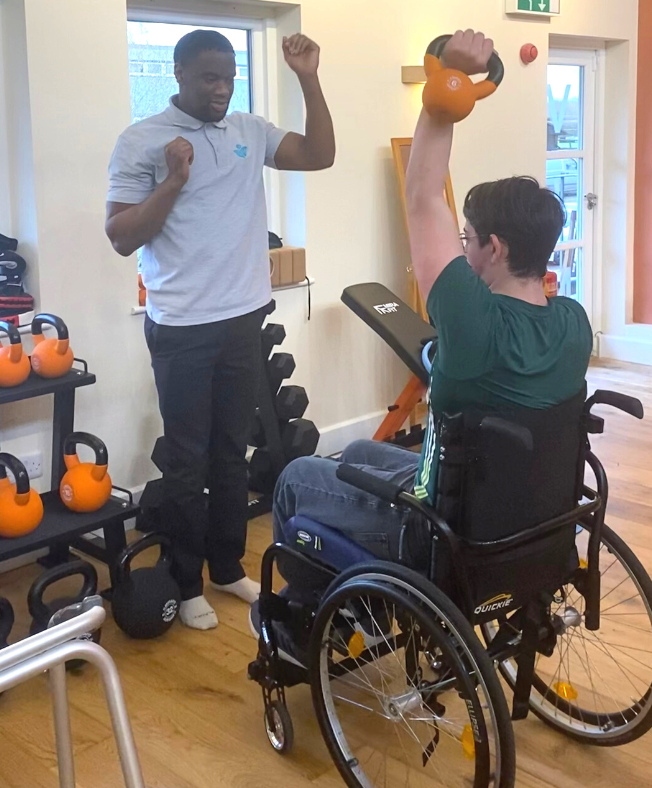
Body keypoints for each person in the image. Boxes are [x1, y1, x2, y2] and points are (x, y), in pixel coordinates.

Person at [263, 30, 593, 637]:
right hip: (531, 520)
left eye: (467, 238)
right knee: (359, 452)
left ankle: (310, 625)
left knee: (294, 478)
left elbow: (420, 195)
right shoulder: (574, 323)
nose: (461, 246)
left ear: (493, 248)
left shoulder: (473, 320)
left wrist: (446, 94)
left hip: (446, 529)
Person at [106, 30, 335, 631]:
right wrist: (173, 180)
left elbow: (319, 154)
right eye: (209, 76)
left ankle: (227, 566)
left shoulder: (248, 131)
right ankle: (184, 583)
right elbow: (123, 235)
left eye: (229, 76)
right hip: (181, 326)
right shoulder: (143, 141)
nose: (221, 88)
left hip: (242, 320)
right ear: (178, 72)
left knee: (233, 454)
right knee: (187, 463)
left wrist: (308, 77)